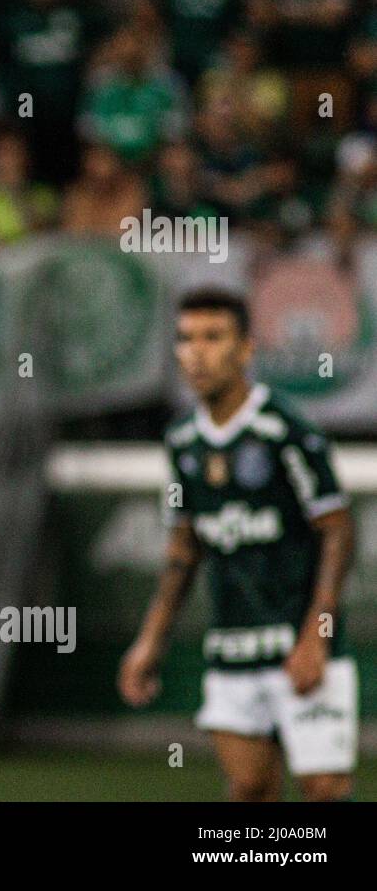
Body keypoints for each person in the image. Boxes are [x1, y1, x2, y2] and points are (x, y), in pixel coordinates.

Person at [119, 287, 357, 802]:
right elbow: (185, 547)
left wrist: (317, 634)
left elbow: (337, 528)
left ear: (246, 349)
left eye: (213, 337)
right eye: (186, 339)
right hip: (232, 647)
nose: (197, 352)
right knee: (249, 788)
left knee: (324, 790)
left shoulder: (283, 429)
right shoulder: (183, 442)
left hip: (300, 643)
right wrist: (151, 640)